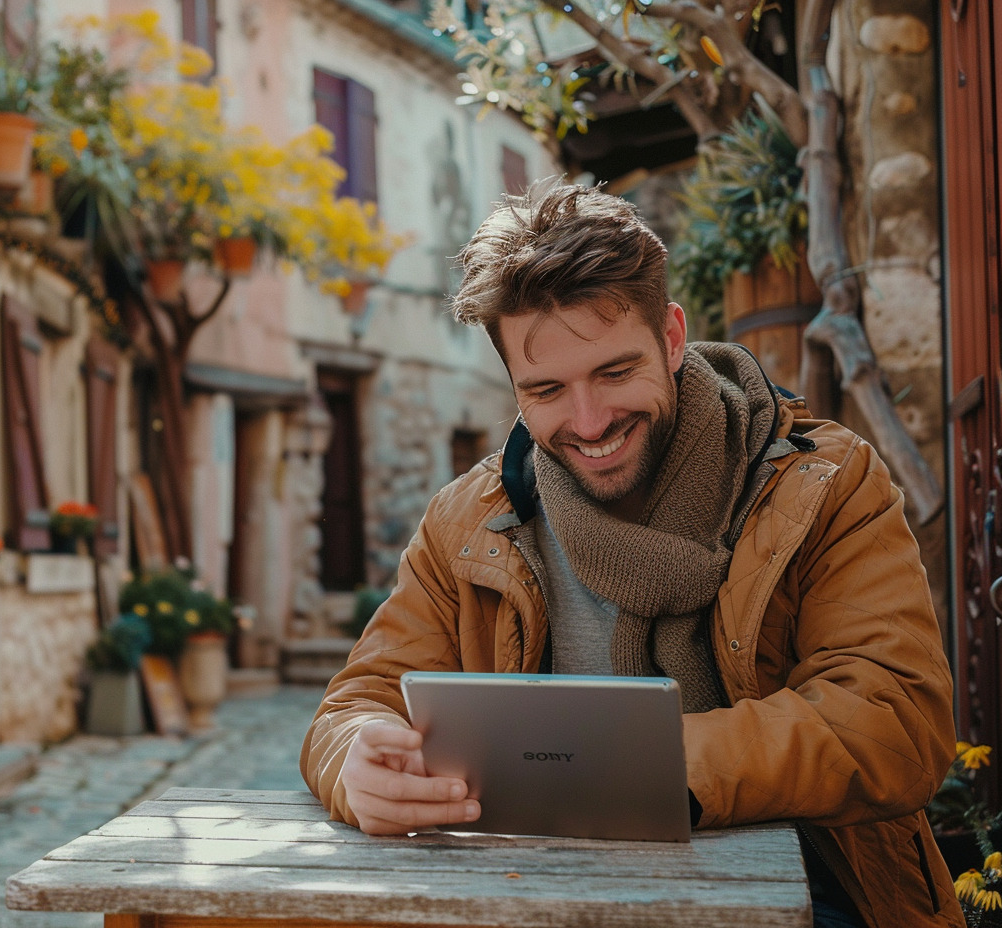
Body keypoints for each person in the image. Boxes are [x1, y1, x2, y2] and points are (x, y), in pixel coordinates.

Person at [300, 181, 964, 928]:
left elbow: (895, 720)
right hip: (540, 903)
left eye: (614, 373)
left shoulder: (827, 482)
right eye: (546, 389)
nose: (588, 421)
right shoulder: (465, 521)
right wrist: (354, 761)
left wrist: (643, 764)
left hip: (816, 901)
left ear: (673, 337)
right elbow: (356, 702)